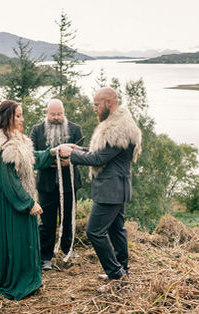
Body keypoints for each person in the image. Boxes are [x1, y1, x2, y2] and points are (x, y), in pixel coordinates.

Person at [59, 87, 142, 284]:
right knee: (116, 230)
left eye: (97, 104)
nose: (94, 108)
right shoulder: (118, 126)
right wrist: (79, 149)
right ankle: (123, 272)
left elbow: (98, 158)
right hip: (115, 188)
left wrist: (71, 155)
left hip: (111, 190)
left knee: (94, 231)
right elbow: (102, 153)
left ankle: (117, 275)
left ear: (109, 103)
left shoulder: (118, 130)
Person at [0, 100, 57, 300]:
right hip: (11, 202)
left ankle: (28, 279)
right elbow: (9, 180)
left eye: (22, 115)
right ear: (8, 117)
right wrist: (28, 203)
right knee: (16, 241)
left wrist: (51, 153)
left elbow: (30, 159)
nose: (22, 119)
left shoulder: (16, 138)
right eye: (18, 116)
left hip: (22, 194)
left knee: (25, 241)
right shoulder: (2, 144)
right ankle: (16, 281)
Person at [30, 99, 83, 270]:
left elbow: (82, 154)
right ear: (46, 112)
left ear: (64, 112)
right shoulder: (37, 130)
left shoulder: (75, 129)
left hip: (69, 183)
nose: (56, 117)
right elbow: (32, 157)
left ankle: (68, 250)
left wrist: (71, 160)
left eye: (59, 114)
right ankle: (45, 256)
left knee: (68, 218)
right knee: (46, 221)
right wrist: (48, 161)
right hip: (46, 185)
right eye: (53, 114)